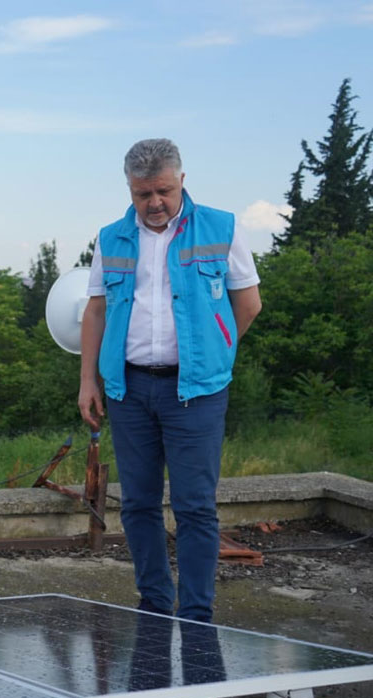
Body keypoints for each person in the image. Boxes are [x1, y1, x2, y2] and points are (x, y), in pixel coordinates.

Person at [79, 138, 262, 623]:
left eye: (162, 190)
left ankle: (197, 613)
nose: (154, 203)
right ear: (130, 190)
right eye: (143, 194)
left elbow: (248, 304)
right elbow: (96, 310)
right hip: (130, 390)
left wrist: (213, 351)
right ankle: (155, 604)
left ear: (181, 180)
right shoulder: (112, 237)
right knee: (137, 503)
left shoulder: (221, 228)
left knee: (195, 506)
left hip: (197, 393)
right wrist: (87, 381)